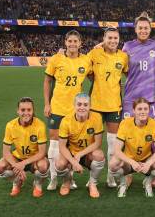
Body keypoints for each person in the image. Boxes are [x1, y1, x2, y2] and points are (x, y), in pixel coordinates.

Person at [43, 30, 92, 190]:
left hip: (76, 110)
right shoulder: (56, 59)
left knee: (70, 145)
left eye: (75, 41)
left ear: (80, 44)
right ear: (65, 42)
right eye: (69, 41)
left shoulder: (85, 60)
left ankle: (69, 178)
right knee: (55, 143)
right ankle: (53, 178)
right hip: (57, 107)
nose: (72, 44)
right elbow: (47, 81)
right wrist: (47, 104)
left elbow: (94, 78)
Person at [87, 27, 129, 187]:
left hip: (114, 105)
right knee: (93, 144)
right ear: (104, 39)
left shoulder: (123, 57)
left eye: (115, 38)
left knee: (113, 144)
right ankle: (93, 178)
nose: (113, 41)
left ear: (119, 40)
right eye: (109, 38)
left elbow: (128, 75)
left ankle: (110, 176)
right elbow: (87, 72)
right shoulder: (94, 53)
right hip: (95, 105)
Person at [109, 98, 155, 197]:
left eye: (145, 109)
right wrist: (132, 162)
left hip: (146, 159)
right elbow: (117, 150)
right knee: (113, 164)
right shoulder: (125, 123)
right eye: (139, 109)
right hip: (129, 161)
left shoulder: (154, 124)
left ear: (149, 110)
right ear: (134, 111)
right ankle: (123, 182)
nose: (143, 112)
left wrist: (148, 163)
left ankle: (148, 181)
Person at [0, 97, 49, 198]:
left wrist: (22, 164)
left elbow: (42, 152)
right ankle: (17, 182)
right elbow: (6, 152)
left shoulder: (40, 125)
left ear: (33, 111)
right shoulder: (10, 125)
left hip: (34, 160)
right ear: (18, 111)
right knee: (0, 167)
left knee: (43, 166)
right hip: (18, 157)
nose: (26, 113)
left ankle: (37, 185)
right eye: (22, 110)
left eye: (29, 110)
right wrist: (17, 166)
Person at [55, 93, 105, 198]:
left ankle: (92, 184)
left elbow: (98, 143)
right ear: (74, 105)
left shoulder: (97, 117)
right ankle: (67, 182)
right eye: (79, 104)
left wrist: (80, 154)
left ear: (90, 106)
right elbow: (62, 147)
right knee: (59, 164)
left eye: (85, 105)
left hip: (88, 153)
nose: (82, 107)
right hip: (71, 153)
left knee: (99, 155)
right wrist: (73, 161)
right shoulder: (66, 121)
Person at [121, 12, 155, 121]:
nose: (143, 31)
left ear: (150, 29)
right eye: (140, 28)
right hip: (132, 96)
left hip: (152, 97)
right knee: (129, 132)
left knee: (152, 133)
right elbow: (123, 68)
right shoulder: (128, 46)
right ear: (135, 29)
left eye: (146, 28)